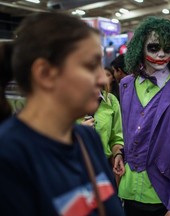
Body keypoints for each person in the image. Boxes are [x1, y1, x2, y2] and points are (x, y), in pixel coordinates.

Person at [0, 12, 125, 216]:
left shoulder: (88, 139)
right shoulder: (10, 157)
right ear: (45, 73)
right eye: (90, 65)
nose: (103, 79)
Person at [118, 17, 170, 216]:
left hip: (161, 194)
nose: (161, 54)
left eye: (167, 48)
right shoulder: (126, 85)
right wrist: (119, 152)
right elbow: (126, 131)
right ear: (140, 48)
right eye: (153, 48)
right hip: (128, 191)